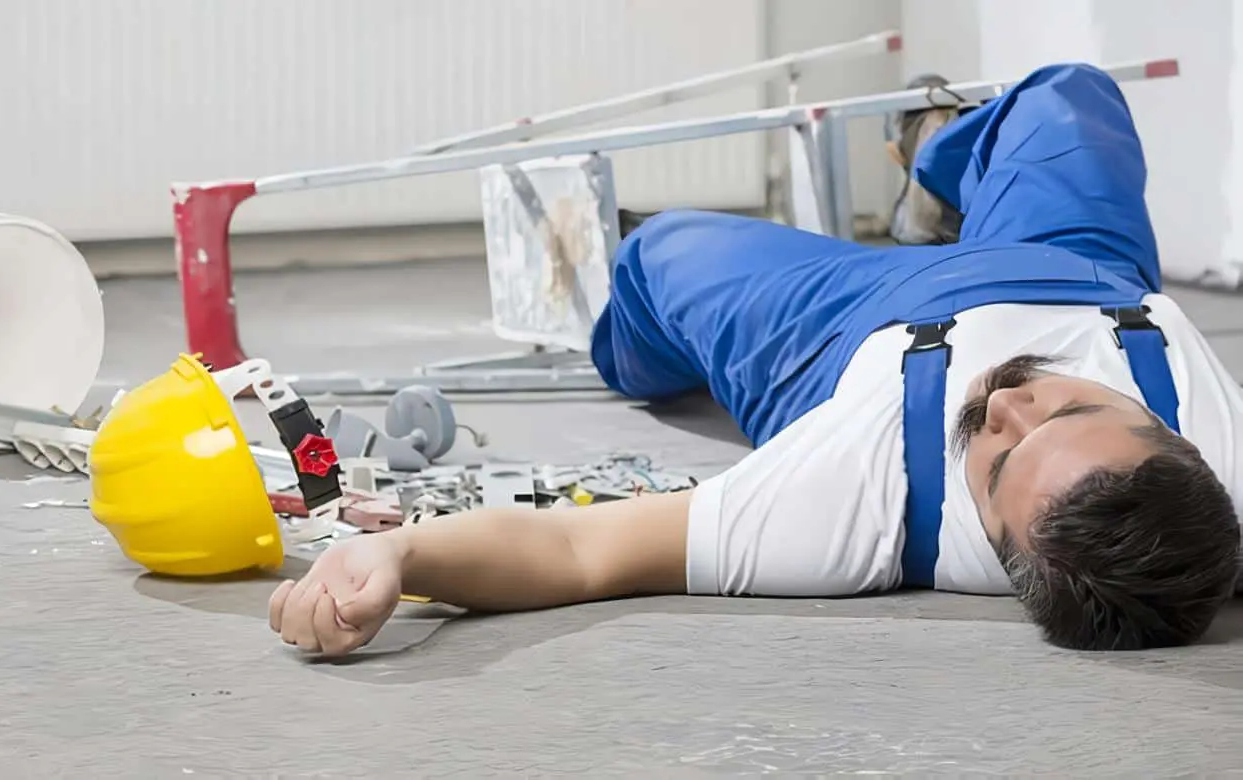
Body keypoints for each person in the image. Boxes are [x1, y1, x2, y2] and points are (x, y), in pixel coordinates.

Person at [268, 63, 1243, 655]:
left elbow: (577, 551)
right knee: (1065, 96)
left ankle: (641, 310)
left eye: (991, 466)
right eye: (1069, 410)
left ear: (988, 553)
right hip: (1077, 264)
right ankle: (942, 170)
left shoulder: (853, 506)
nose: (1004, 408)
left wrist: (394, 551)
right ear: (1175, 436)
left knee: (661, 254)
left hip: (853, 332)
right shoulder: (1224, 475)